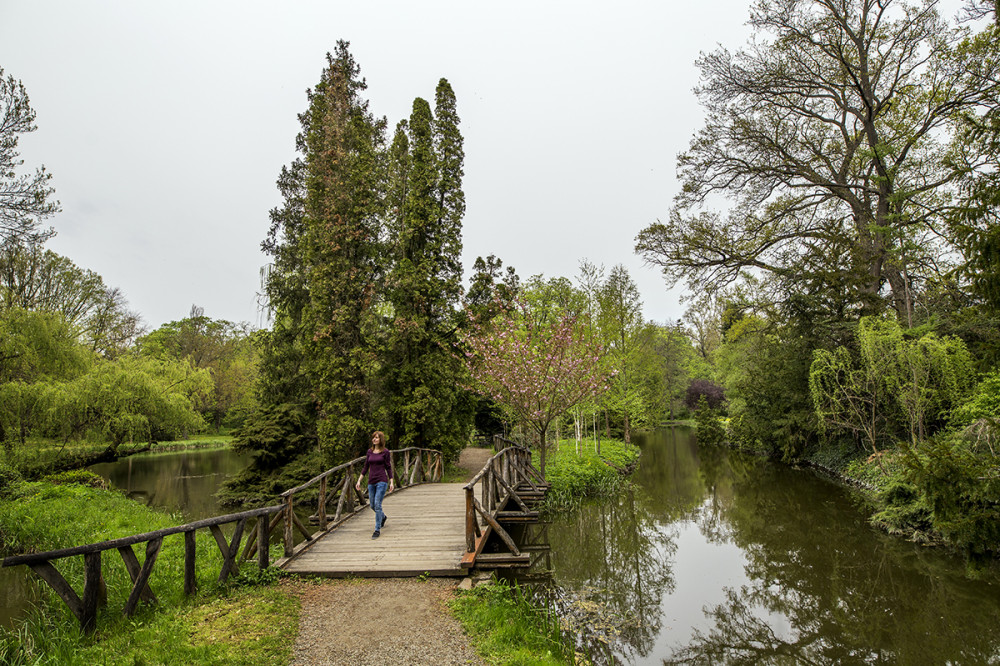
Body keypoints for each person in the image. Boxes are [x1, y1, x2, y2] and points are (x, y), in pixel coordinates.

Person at [355, 430, 395, 539]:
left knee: (377, 504)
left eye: (377, 437)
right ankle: (383, 517)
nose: (374, 439)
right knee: (372, 505)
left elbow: (388, 467)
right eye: (373, 437)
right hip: (371, 482)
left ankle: (377, 529)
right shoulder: (369, 452)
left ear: (380, 440)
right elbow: (365, 467)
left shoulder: (385, 452)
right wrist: (359, 480)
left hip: (382, 481)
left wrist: (391, 481)